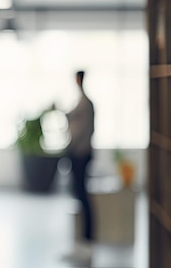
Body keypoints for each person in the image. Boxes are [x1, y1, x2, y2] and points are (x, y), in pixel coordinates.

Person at [63, 70, 95, 265]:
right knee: (79, 196)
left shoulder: (85, 103)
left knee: (82, 196)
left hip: (80, 155)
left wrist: (70, 148)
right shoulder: (83, 102)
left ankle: (86, 242)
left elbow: (81, 130)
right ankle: (82, 242)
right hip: (80, 154)